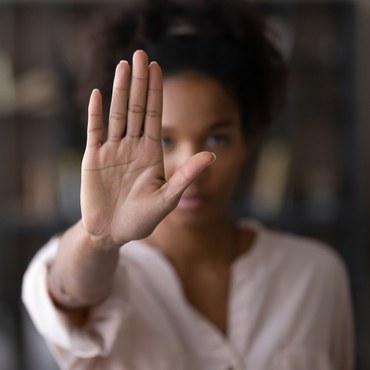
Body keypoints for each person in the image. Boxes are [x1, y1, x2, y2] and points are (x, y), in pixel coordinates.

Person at [22, 0, 354, 369]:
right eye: (164, 141)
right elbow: (69, 290)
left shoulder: (315, 276)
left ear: (248, 139)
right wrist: (98, 239)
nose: (190, 169)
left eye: (217, 139)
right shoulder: (100, 264)